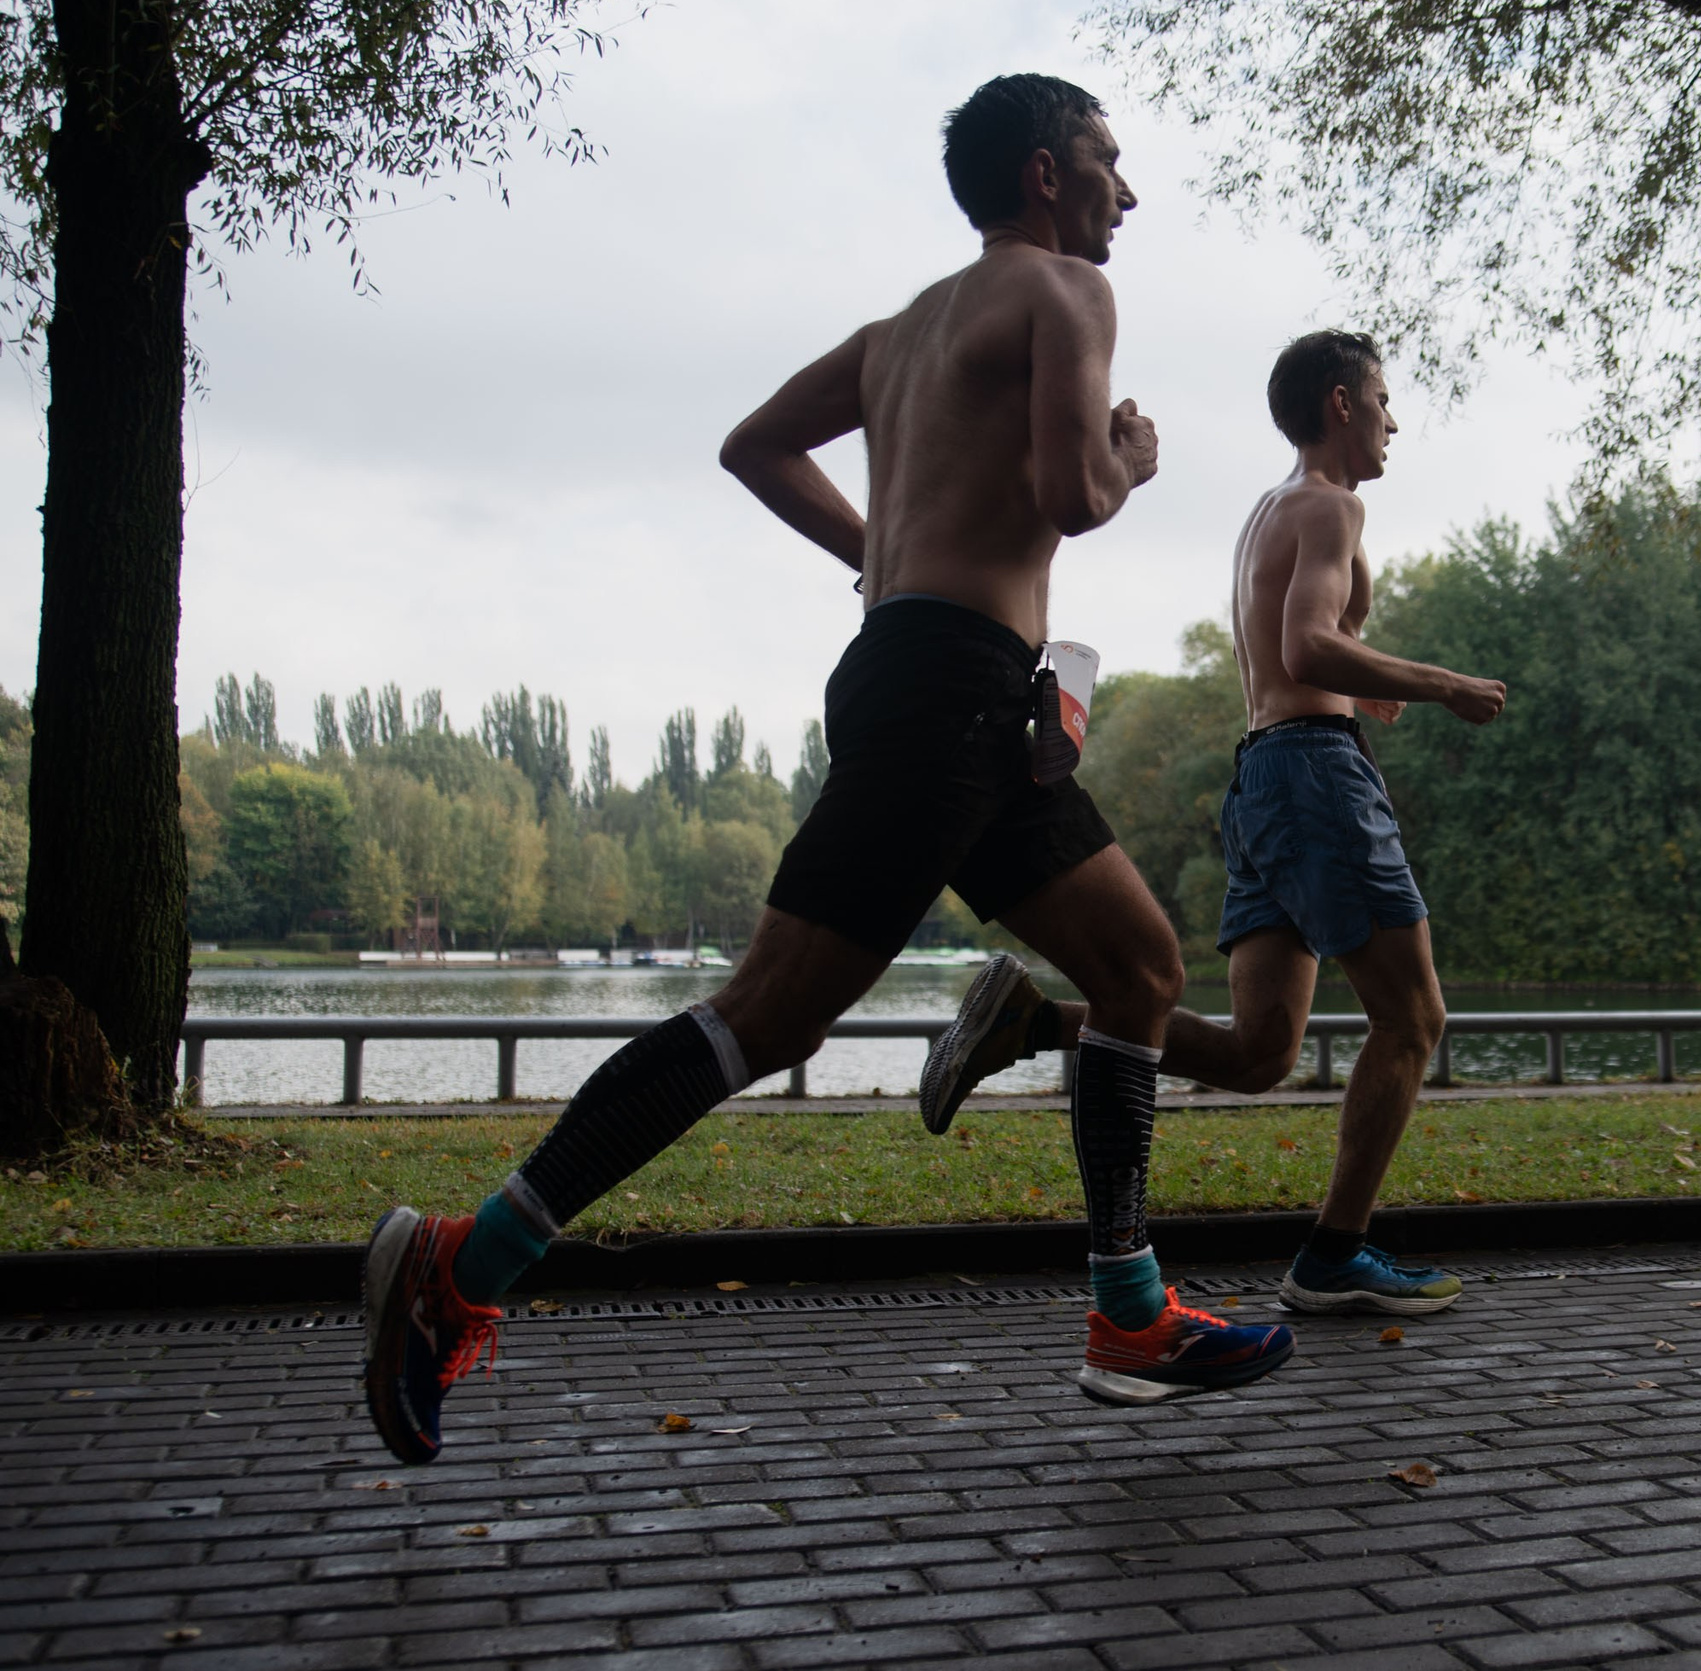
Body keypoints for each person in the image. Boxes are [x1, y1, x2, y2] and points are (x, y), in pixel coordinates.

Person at [361, 74, 1294, 1466]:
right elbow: (1071, 498)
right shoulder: (1067, 295)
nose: (1128, 190)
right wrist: (1133, 459)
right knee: (764, 1015)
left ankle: (1127, 1312)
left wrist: (883, 560)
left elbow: (754, 446)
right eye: (1110, 160)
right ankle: (462, 1262)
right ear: (1045, 174)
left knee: (1141, 967)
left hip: (945, 687)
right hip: (949, 695)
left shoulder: (895, 334)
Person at [921, 329, 1507, 1317]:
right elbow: (1308, 642)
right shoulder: (1330, 503)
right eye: (1382, 397)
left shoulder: (1267, 513)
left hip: (1265, 779)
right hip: (1316, 779)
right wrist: (1441, 683)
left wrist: (1370, 684)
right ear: (1338, 404)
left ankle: (1030, 1022)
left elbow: (1297, 652)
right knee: (1414, 1018)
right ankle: (1334, 1254)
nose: (1393, 418)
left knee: (1257, 1053)